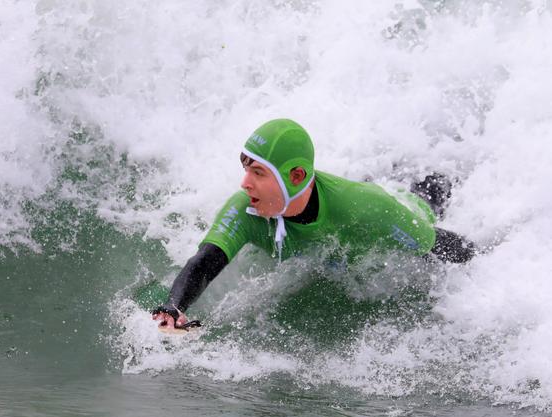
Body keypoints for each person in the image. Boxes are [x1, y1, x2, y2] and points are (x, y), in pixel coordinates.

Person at [152, 119, 475, 329]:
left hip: (408, 204)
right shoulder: (246, 209)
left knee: (430, 189)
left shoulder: (366, 209)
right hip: (356, 199)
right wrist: (173, 307)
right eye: (246, 170)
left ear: (296, 176)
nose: (245, 184)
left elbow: (436, 245)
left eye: (259, 173)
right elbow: (204, 263)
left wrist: (488, 268)